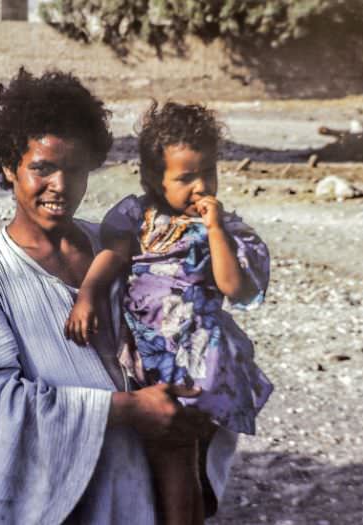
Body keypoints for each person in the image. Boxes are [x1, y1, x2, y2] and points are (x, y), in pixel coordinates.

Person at [0, 68, 238, 525]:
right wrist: (127, 410)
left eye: (75, 169)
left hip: (145, 497)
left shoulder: (124, 249)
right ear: (9, 167)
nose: (60, 185)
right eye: (42, 168)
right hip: (66, 507)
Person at [64, 102, 273, 524]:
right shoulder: (136, 216)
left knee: (176, 452)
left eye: (208, 172)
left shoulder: (224, 229)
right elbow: (112, 257)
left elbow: (232, 286)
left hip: (197, 360)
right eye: (185, 177)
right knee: (179, 457)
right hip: (154, 352)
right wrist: (87, 294)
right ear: (153, 178)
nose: (201, 187)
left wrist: (215, 230)